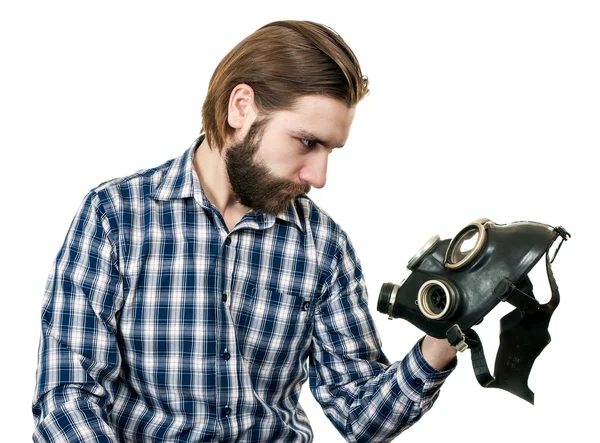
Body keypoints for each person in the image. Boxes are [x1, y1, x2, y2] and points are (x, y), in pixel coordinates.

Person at [32, 20, 458, 442]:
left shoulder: (324, 246)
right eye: (307, 142)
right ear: (241, 107)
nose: (320, 176)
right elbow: (68, 398)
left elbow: (361, 416)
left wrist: (439, 342)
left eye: (331, 150)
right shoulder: (115, 217)